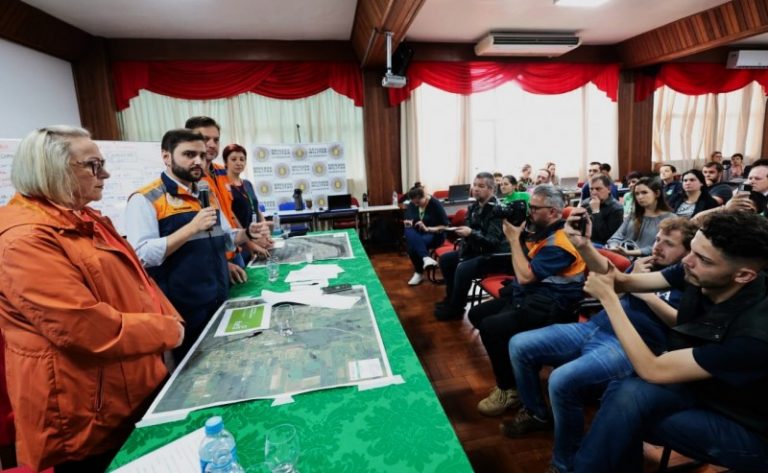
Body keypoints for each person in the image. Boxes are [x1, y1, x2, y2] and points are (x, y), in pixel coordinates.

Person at [0, 126, 184, 472]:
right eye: (93, 165)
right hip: (84, 410)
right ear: (52, 170)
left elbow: (139, 282)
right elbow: (83, 327)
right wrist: (168, 331)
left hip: (127, 383)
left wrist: (171, 319)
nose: (106, 174)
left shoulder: (84, 217)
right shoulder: (23, 241)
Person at [572, 211, 768, 473]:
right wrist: (583, 245)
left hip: (746, 424)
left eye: (703, 259)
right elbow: (623, 281)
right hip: (704, 387)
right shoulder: (699, 269)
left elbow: (653, 369)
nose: (687, 260)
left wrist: (609, 300)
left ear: (743, 276)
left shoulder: (755, 335)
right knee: (622, 395)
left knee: (624, 415)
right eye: (693, 249)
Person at [506, 217, 696, 473]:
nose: (658, 246)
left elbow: (680, 323)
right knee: (519, 344)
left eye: (669, 244)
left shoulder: (689, 280)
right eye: (658, 239)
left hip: (628, 345)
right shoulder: (647, 264)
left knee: (561, 380)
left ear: (687, 252)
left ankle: (564, 463)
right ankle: (536, 413)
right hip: (595, 326)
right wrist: (628, 277)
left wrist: (646, 295)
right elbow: (616, 288)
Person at [125, 128, 269, 363]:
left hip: (219, 296)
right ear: (166, 156)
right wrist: (191, 228)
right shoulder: (145, 199)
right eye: (189, 154)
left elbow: (226, 237)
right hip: (183, 309)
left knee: (230, 363)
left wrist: (247, 233)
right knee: (194, 371)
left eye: (202, 155)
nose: (198, 161)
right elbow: (141, 256)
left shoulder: (206, 192)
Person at [468, 186, 586, 417]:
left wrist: (513, 239)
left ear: (553, 212)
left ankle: (509, 389)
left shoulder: (562, 242)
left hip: (554, 306)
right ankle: (513, 368)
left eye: (534, 208)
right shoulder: (546, 231)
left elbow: (525, 276)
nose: (528, 212)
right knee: (477, 314)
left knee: (491, 327)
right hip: (534, 296)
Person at [434, 172, 511, 320]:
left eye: (481, 186)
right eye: (474, 185)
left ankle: (456, 308)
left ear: (491, 189)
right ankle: (452, 299)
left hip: (494, 256)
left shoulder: (497, 210)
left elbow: (492, 242)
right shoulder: (474, 207)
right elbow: (471, 231)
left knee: (463, 268)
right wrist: (463, 234)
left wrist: (470, 234)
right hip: (477, 250)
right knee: (446, 260)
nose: (475, 189)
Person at [185, 116, 250, 277]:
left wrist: (248, 239)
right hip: (212, 262)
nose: (212, 144)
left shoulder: (222, 171)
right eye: (205, 139)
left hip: (234, 251)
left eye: (216, 139)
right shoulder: (188, 179)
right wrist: (222, 264)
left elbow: (229, 213)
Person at [223, 143, 270, 263]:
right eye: (233, 159)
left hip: (256, 238)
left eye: (242, 159)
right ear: (225, 162)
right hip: (240, 243)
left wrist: (265, 233)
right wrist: (250, 243)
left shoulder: (247, 184)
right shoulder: (223, 186)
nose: (238, 163)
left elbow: (256, 209)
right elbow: (231, 218)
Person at [606, 177, 673, 257]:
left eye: (644, 192)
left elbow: (661, 247)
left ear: (657, 193)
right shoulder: (634, 214)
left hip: (647, 260)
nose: (640, 197)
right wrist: (613, 247)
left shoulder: (670, 219)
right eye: (637, 194)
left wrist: (629, 252)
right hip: (623, 255)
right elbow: (617, 236)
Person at [403, 185, 449, 285]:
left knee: (412, 247)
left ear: (425, 196)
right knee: (408, 229)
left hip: (435, 234)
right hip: (418, 233)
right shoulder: (412, 204)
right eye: (414, 202)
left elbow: (445, 226)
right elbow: (408, 218)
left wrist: (428, 228)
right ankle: (426, 258)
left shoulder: (435, 205)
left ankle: (419, 272)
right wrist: (408, 222)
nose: (416, 205)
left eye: (418, 202)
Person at [579, 174, 623, 245]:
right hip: (584, 242)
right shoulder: (585, 203)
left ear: (609, 189)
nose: (594, 192)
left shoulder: (616, 208)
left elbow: (607, 238)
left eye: (598, 189)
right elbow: (580, 230)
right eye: (591, 189)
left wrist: (596, 211)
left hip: (603, 246)